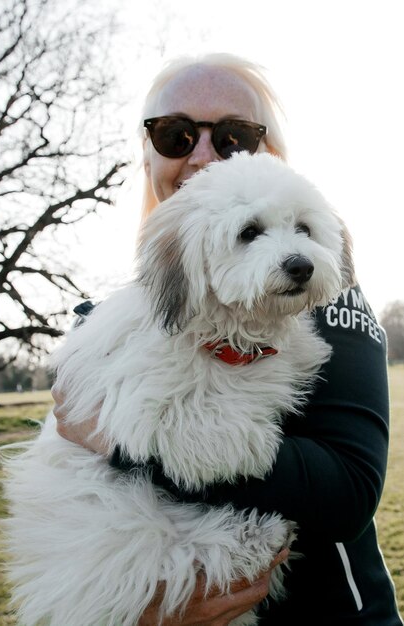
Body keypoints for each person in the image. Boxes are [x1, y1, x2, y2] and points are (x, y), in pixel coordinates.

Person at [52, 52, 403, 625]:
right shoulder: (108, 317)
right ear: (148, 155)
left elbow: (348, 491)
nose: (203, 154)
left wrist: (123, 438)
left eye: (236, 136)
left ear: (273, 155)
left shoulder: (321, 288)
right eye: (175, 134)